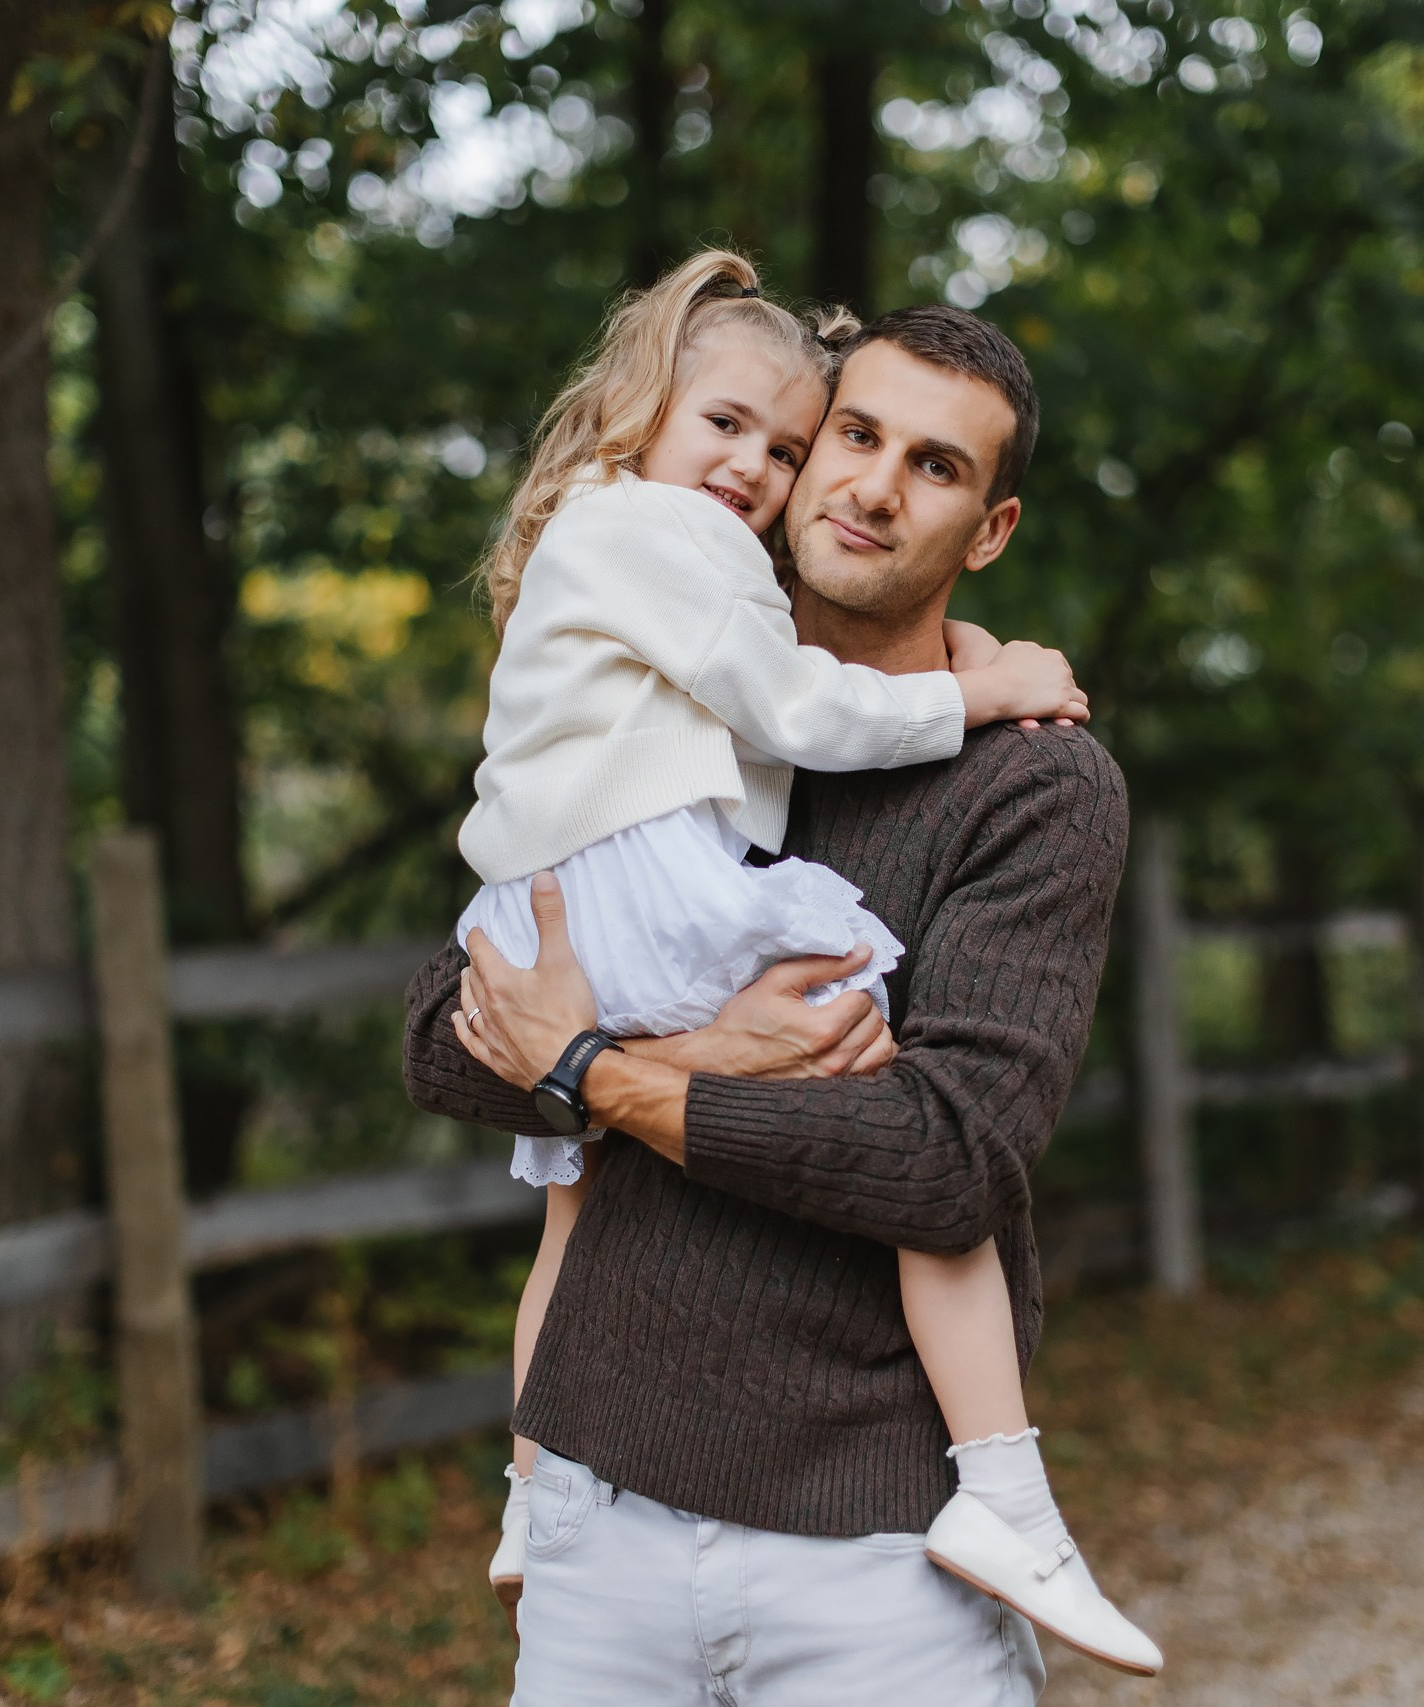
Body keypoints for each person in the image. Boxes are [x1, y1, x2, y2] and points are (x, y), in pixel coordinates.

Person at [404, 283, 1153, 1702]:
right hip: (599, 1523)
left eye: (934, 466)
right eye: (851, 437)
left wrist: (596, 1075)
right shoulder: (675, 695)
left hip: (876, 1558)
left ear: (988, 531)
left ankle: (1017, 1508)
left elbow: (945, 1162)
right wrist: (703, 1052)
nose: (871, 486)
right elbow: (444, 1035)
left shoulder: (1037, 780)